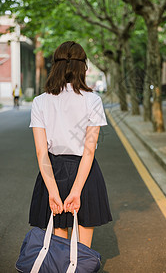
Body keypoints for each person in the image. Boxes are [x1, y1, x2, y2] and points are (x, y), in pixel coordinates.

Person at [28, 41, 112, 248]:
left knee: (59, 248)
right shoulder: (93, 101)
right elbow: (89, 150)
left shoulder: (40, 101)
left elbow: (41, 152)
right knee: (82, 252)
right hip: (85, 173)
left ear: (54, 66)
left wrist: (53, 192)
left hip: (53, 173)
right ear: (82, 67)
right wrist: (76, 191)